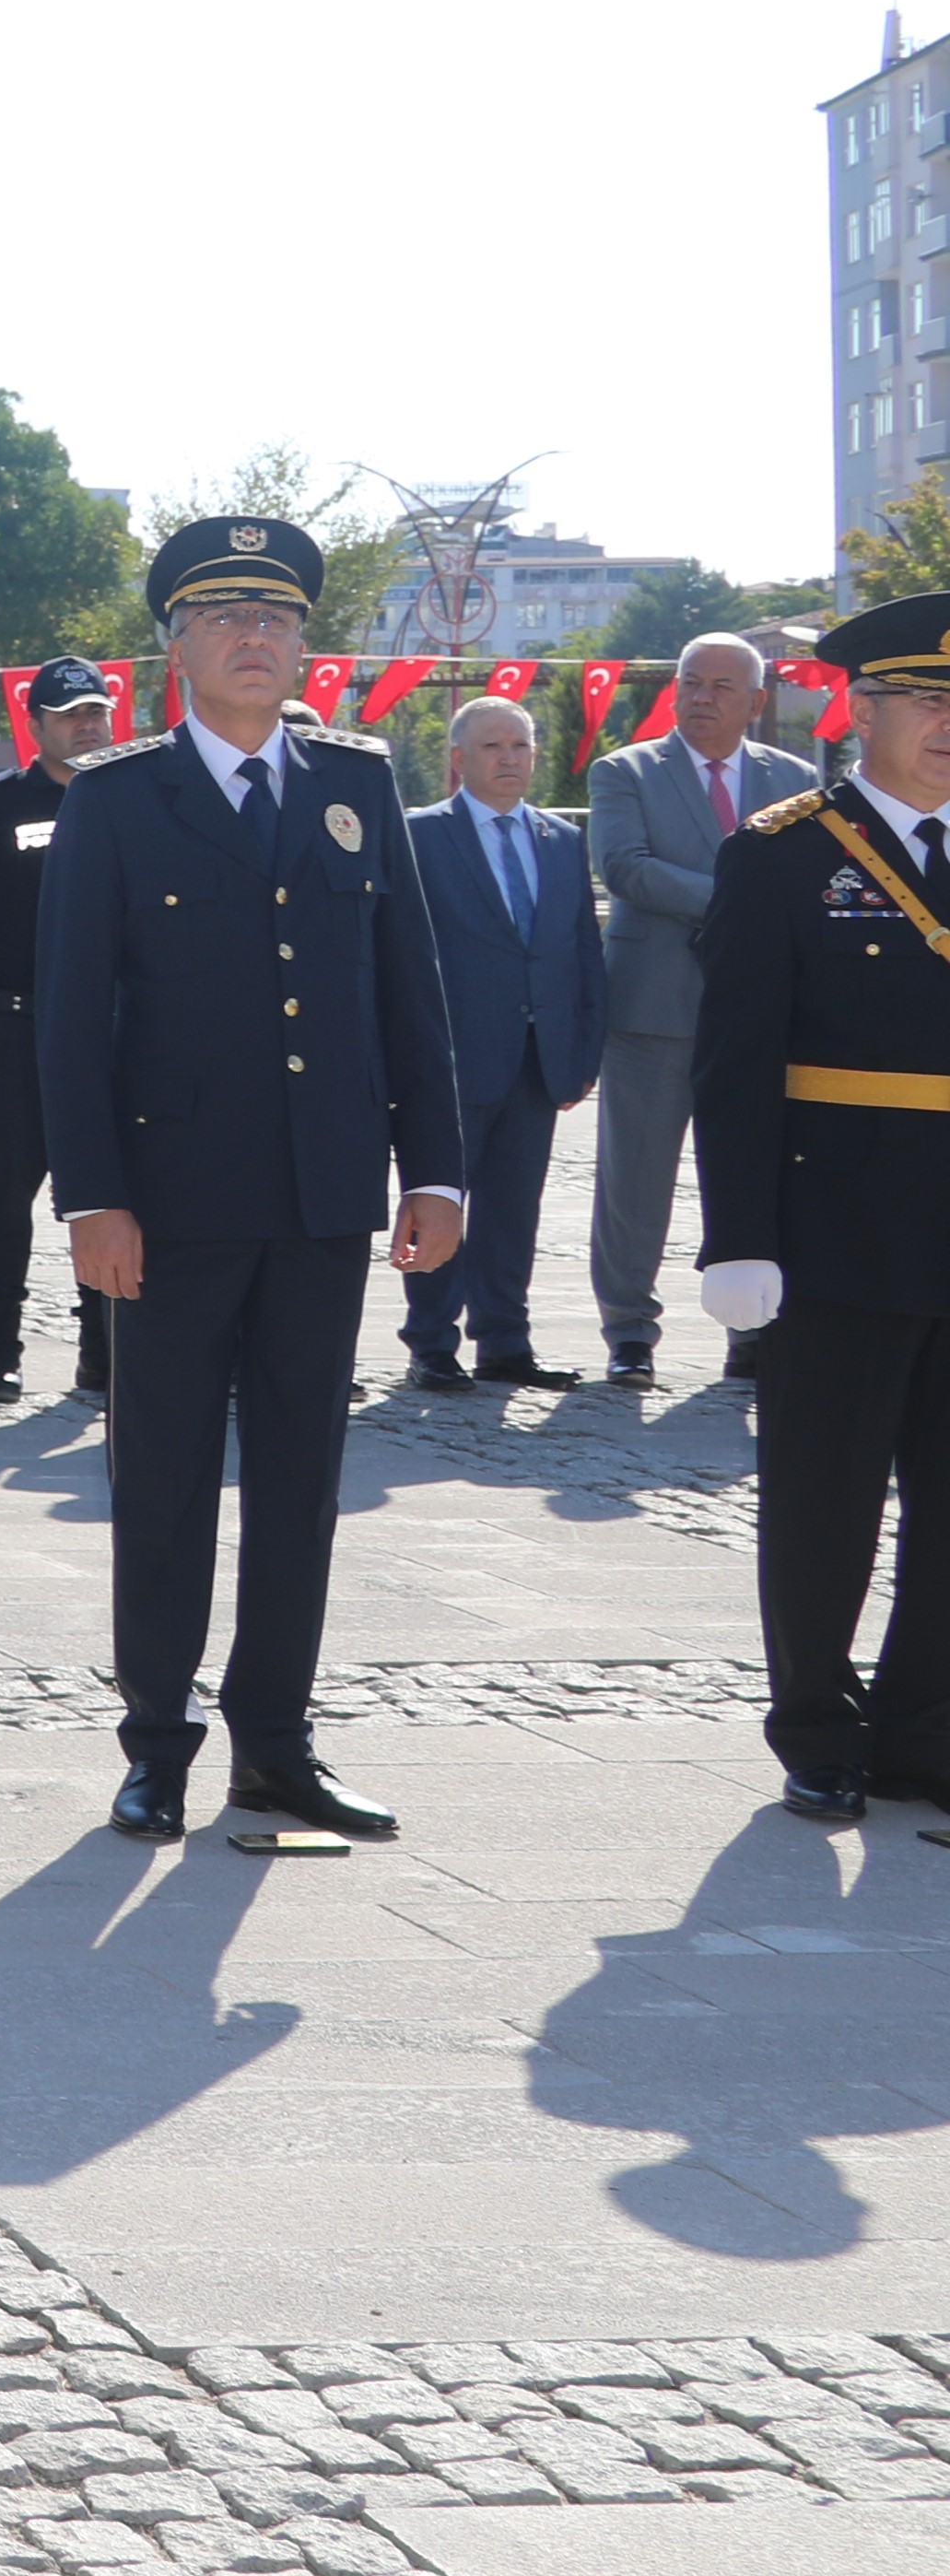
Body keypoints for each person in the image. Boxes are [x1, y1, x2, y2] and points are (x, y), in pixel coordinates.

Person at [41, 517, 464, 1847]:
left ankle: (275, 1744)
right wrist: (91, 1196)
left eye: (276, 619)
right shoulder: (116, 797)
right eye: (225, 617)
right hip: (168, 1207)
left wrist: (438, 1170)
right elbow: (69, 1018)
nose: (255, 638)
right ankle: (157, 1744)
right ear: (174, 644)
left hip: (323, 1196)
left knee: (302, 1479)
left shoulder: (355, 781)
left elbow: (411, 995)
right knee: (161, 1479)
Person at [689, 592, 950, 1822]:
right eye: (930, 701)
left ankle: (923, 1726)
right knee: (825, 1498)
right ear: (869, 710)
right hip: (835, 1232)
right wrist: (738, 1240)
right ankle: (817, 1725)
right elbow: (734, 1064)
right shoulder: (787, 852)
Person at [587, 630, 810, 1385]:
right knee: (635, 1183)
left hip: (759, 1017)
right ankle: (629, 1334)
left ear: (756, 701)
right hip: (654, 1012)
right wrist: (744, 906)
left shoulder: (798, 778)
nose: (702, 697)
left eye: (721, 686)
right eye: (691, 682)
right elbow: (626, 868)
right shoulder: (626, 772)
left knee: (752, 1175)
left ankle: (750, 1328)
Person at [409, 688, 604, 1392]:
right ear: (459, 759)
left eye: (520, 745)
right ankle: (430, 1341)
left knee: (515, 1209)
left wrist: (584, 1052)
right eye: (493, 746)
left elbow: (583, 950)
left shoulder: (561, 840)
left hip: (539, 1058)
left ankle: (504, 1343)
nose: (510, 758)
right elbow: (403, 953)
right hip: (453, 1057)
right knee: (439, 1203)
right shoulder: (421, 836)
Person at [0, 659, 116, 1400]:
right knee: (5, 1189)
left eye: (96, 712)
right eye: (70, 714)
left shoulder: (136, 797)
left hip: (114, 1033)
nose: (87, 724)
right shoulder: (1, 805)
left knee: (113, 1190)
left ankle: (104, 1347)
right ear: (35, 725)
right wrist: (1, 971)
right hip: (22, 1029)